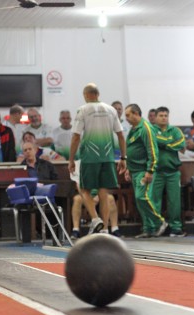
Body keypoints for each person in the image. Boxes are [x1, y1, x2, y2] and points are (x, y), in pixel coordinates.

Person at [69, 83, 127, 235]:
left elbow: (75, 137)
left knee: (83, 188)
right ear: (98, 94)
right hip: (108, 158)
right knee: (104, 193)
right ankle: (106, 230)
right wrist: (123, 157)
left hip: (90, 157)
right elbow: (121, 135)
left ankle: (95, 219)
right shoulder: (111, 109)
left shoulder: (83, 110)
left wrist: (70, 160)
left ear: (86, 95)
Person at [124, 103, 168, 238]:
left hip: (144, 171)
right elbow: (130, 150)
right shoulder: (133, 129)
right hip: (134, 170)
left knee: (142, 197)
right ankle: (148, 229)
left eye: (128, 115)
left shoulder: (146, 128)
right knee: (139, 201)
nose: (126, 118)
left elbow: (152, 151)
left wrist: (150, 170)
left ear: (136, 114)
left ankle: (159, 222)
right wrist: (127, 168)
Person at [152, 106, 187, 237]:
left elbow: (181, 144)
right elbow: (153, 141)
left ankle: (175, 227)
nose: (163, 118)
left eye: (166, 115)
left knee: (174, 201)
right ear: (155, 117)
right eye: (161, 115)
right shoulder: (150, 130)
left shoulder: (175, 130)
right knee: (154, 201)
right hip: (156, 171)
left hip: (173, 171)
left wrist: (164, 144)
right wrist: (170, 143)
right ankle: (156, 226)